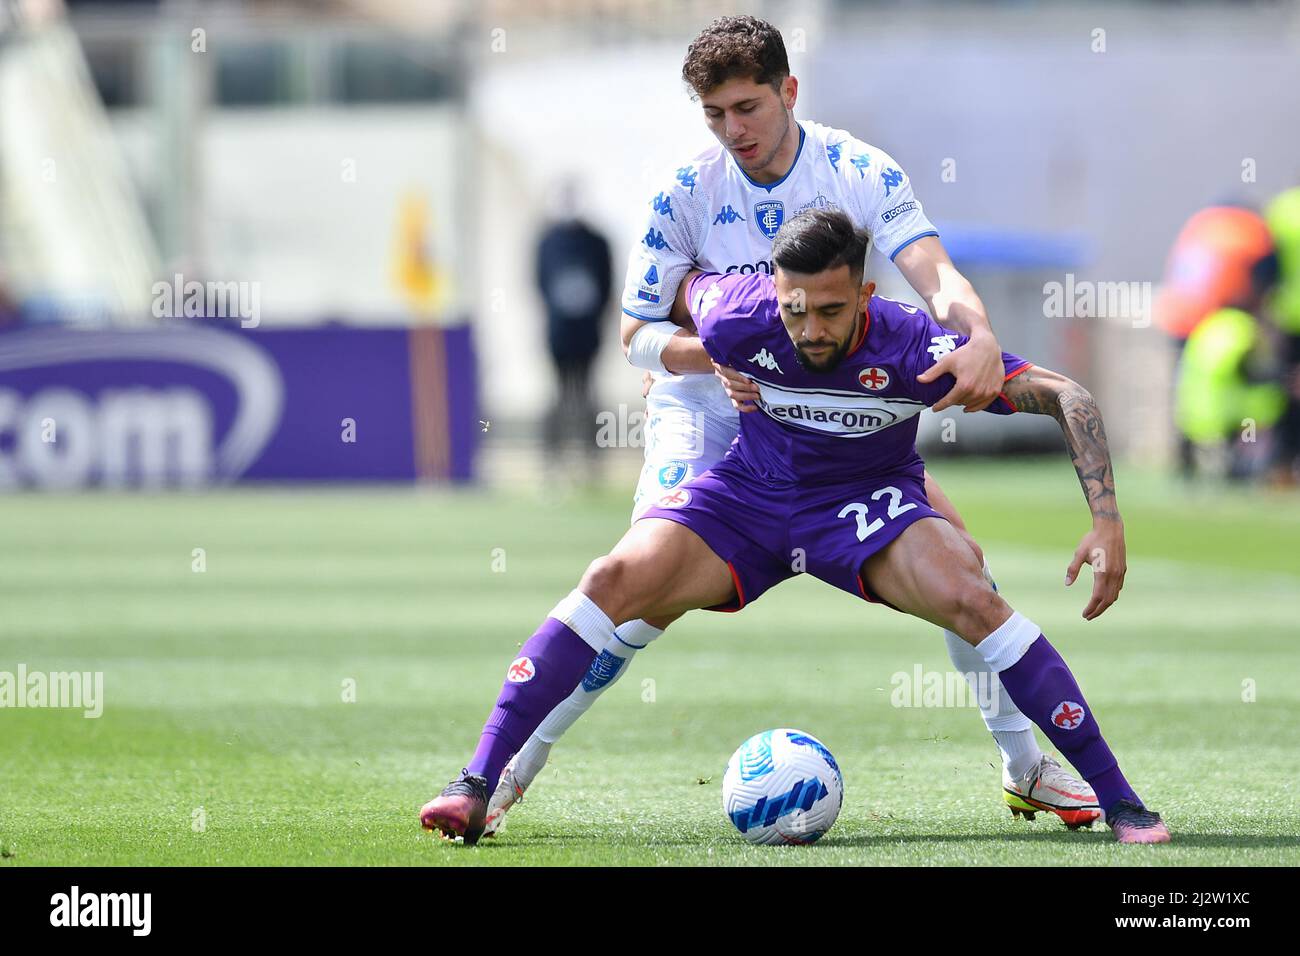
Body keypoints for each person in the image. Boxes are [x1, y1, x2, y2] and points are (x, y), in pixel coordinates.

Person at [479, 15, 1097, 837]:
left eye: (748, 108)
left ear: (788, 92)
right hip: (707, 418)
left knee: (965, 570)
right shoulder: (684, 192)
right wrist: (716, 361)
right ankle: (512, 771)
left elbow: (934, 274)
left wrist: (979, 336)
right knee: (638, 602)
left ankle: (1027, 769)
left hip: (829, 416)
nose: (734, 130)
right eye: (715, 114)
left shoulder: (858, 171)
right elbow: (636, 336)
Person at [419, 208, 1170, 846]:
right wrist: (688, 358)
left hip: (864, 500)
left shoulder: (914, 347)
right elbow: (651, 313)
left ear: (866, 295)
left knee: (972, 594)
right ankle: (479, 780)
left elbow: (1068, 396)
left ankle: (1120, 799)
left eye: (831, 311)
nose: (809, 329)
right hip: (751, 496)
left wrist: (1106, 522)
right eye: (794, 309)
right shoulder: (736, 309)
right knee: (612, 580)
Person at [1175, 251, 1285, 479]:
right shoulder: (1242, 329)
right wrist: (1280, 378)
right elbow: (1247, 372)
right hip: (1224, 421)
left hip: (1191, 417)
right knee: (1266, 399)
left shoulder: (1209, 325)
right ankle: (1254, 462)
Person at [534, 180, 613, 473]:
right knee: (558, 392)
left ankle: (591, 460)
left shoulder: (596, 241)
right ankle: (552, 459)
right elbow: (539, 282)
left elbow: (606, 284)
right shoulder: (548, 240)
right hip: (558, 332)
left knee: (588, 392)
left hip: (588, 332)